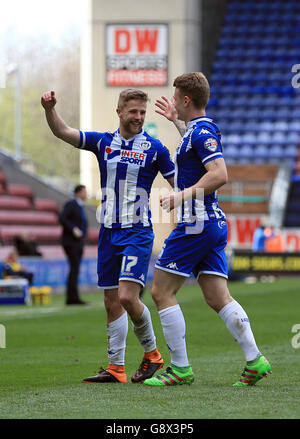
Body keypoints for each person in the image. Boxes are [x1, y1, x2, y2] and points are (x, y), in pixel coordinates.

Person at [143, 72, 272, 387]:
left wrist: (180, 196)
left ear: (186, 99)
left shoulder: (201, 133)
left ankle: (180, 368)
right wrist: (176, 121)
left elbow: (219, 174)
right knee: (217, 297)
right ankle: (255, 360)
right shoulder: (194, 131)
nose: (172, 102)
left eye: (176, 99)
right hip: (211, 223)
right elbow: (195, 155)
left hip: (196, 224)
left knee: (161, 291)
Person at [41, 88, 175, 384]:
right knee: (111, 301)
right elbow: (63, 131)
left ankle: (152, 354)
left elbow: (178, 180)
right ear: (119, 112)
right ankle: (116, 367)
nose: (139, 117)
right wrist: (49, 109)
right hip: (108, 232)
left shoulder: (155, 148)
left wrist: (181, 197)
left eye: (142, 112)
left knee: (128, 296)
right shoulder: (103, 142)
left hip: (137, 232)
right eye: (133, 112)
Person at [59, 184, 88, 305]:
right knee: (74, 269)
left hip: (78, 243)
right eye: (84, 191)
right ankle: (72, 298)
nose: (86, 194)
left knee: (75, 270)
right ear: (78, 192)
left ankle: (73, 297)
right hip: (71, 243)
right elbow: (62, 218)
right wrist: (73, 229)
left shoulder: (81, 206)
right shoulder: (72, 204)